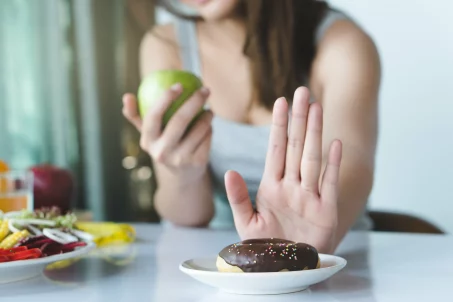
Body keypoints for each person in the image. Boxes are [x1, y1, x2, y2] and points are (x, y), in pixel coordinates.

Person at [122, 0, 380, 254]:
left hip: (335, 255)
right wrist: (181, 173)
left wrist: (308, 240)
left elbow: (353, 163)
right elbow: (191, 218)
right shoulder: (166, 45)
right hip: (223, 261)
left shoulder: (342, 43)